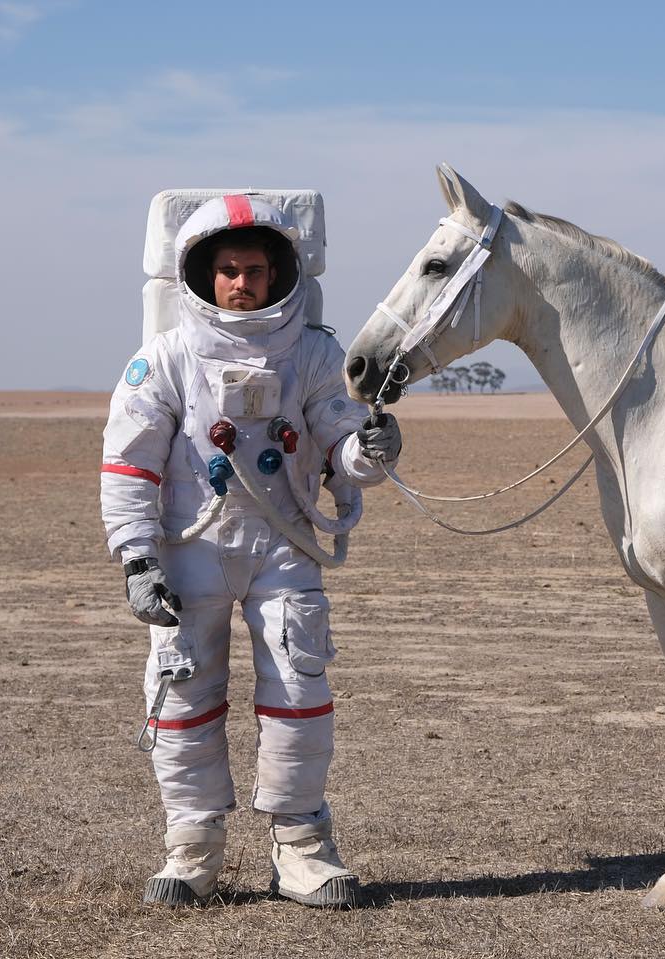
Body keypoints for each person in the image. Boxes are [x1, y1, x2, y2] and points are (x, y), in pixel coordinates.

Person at [101, 193, 401, 908]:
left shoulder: (313, 352)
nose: (242, 283)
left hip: (284, 542)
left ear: (277, 274)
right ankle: (192, 848)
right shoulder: (168, 358)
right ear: (205, 277)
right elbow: (129, 464)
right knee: (182, 696)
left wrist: (372, 449)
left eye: (256, 270)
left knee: (300, 690)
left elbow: (341, 443)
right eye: (228, 269)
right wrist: (138, 561)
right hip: (190, 548)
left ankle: (302, 847)